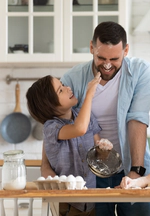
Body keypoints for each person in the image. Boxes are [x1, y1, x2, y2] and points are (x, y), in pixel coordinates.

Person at [40, 21, 150, 216]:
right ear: (91, 47)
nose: (107, 64)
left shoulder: (140, 72)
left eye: (115, 58)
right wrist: (45, 166)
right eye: (101, 57)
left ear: (126, 50)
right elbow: (54, 123)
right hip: (90, 174)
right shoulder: (72, 79)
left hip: (131, 167)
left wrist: (136, 172)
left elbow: (137, 120)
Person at [26, 72, 112, 216]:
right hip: (67, 204)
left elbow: (98, 156)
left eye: (63, 85)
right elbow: (79, 129)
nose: (68, 88)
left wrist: (103, 150)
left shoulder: (87, 116)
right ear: (49, 106)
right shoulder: (51, 127)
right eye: (61, 90)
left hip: (91, 201)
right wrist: (89, 94)